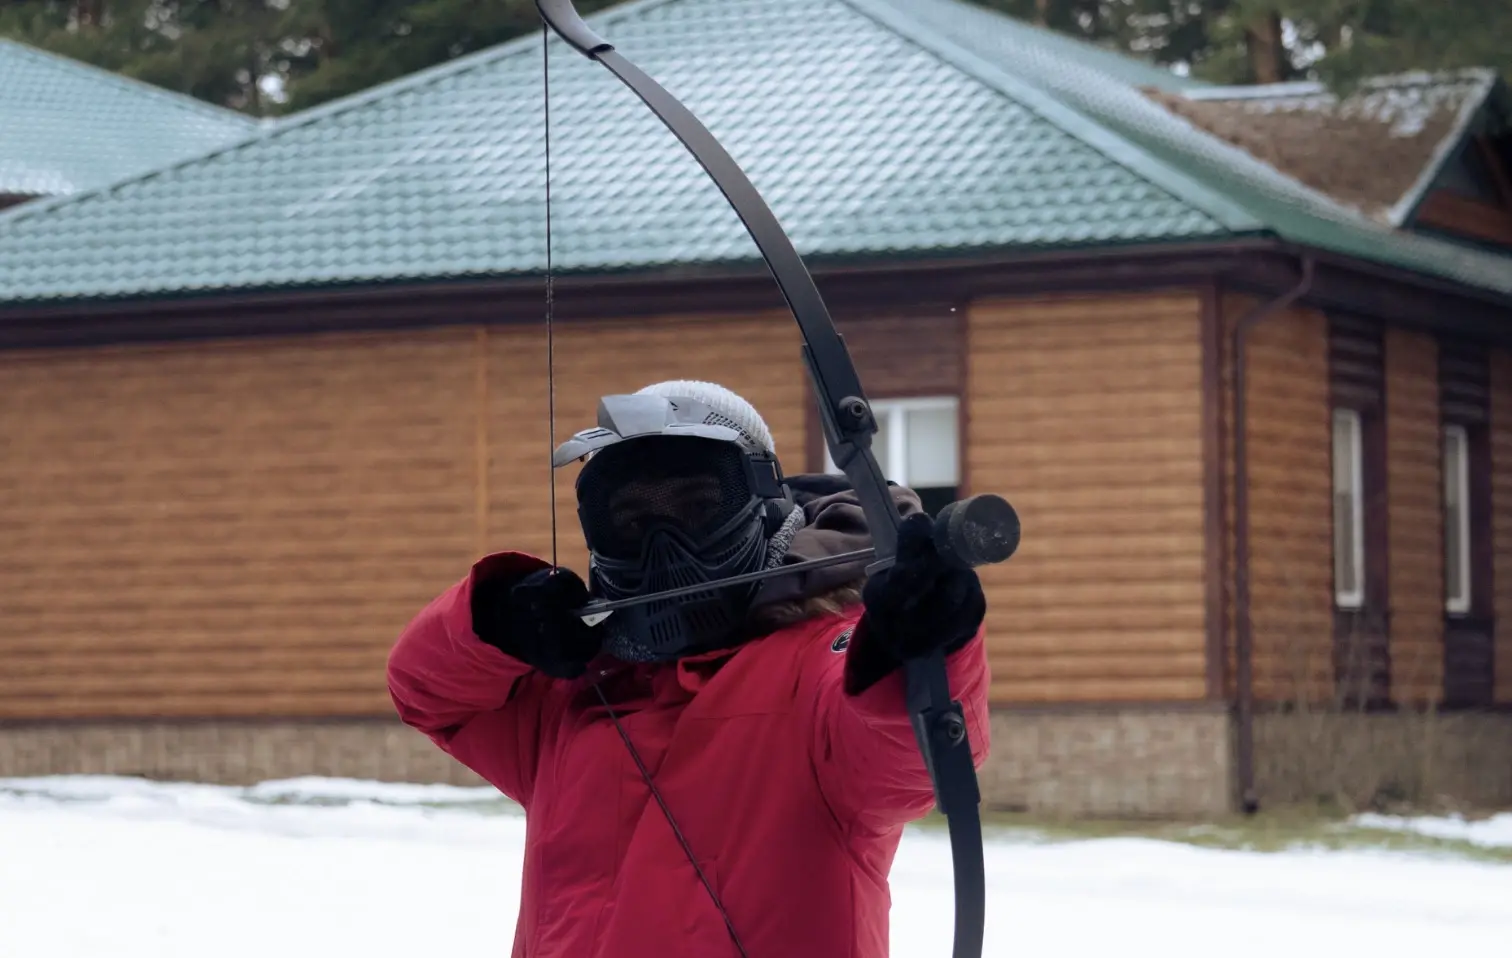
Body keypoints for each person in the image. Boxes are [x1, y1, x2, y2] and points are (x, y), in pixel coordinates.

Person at [387, 380, 991, 958]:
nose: (663, 548)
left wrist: (910, 645)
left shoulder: (818, 665)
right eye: (630, 521)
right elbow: (427, 692)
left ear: (761, 504)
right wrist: (495, 619)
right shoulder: (572, 694)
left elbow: (902, 757)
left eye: (698, 506)